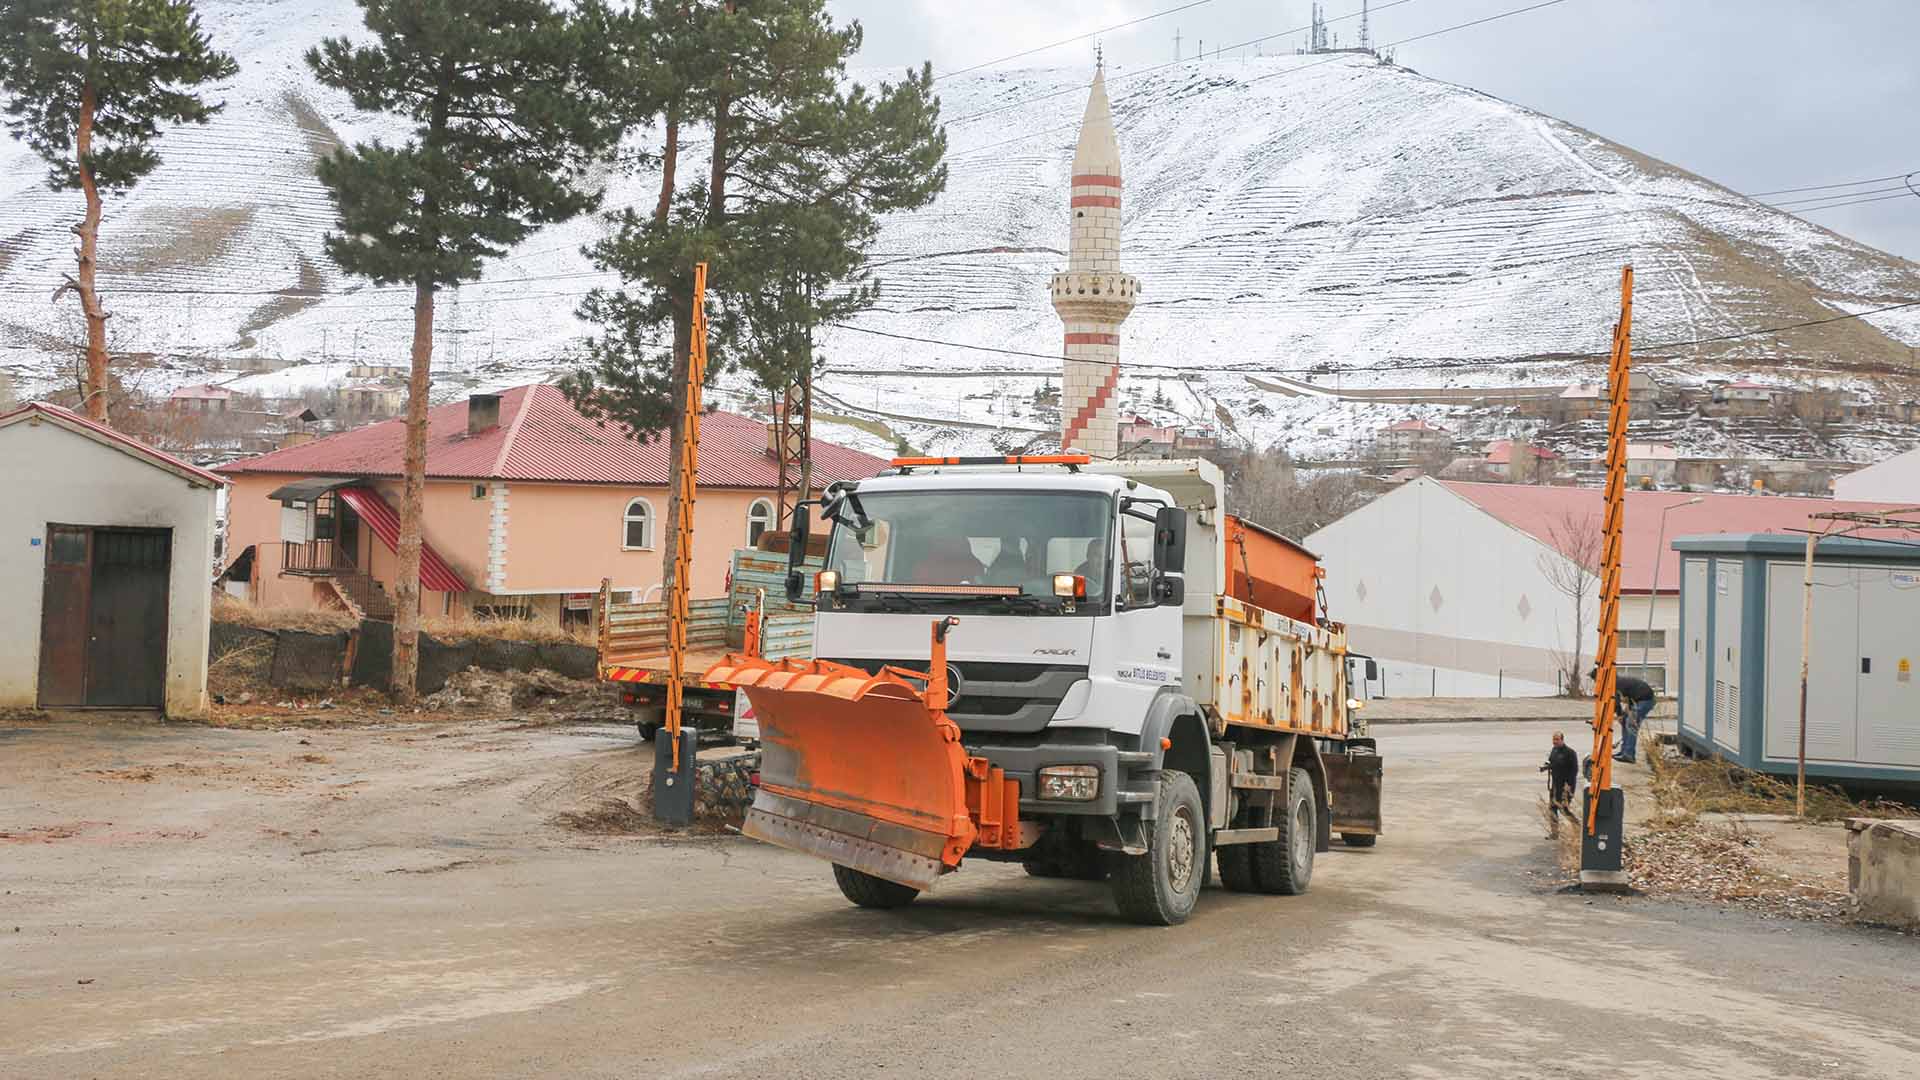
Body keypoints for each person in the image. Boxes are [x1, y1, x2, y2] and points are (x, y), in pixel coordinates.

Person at [1591, 667, 1655, 764]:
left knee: (1631, 724)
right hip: (1637, 700)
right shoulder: (1616, 681)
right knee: (1626, 720)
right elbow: (1624, 697)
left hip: (1645, 700)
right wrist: (1621, 715)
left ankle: (1629, 755)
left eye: (1595, 680)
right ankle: (1624, 752)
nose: (1596, 682)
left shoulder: (1613, 683)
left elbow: (1615, 702)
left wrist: (1619, 714)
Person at [1540, 730, 1579, 837]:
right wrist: (1545, 767)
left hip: (1566, 786)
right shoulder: (1554, 750)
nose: (1555, 742)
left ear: (1562, 740)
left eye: (1557, 739)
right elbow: (1551, 762)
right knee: (1552, 808)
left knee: (1564, 809)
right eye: (1553, 739)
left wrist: (1569, 785)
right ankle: (1555, 833)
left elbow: (1574, 770)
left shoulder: (1570, 753)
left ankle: (1578, 827)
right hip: (1555, 785)